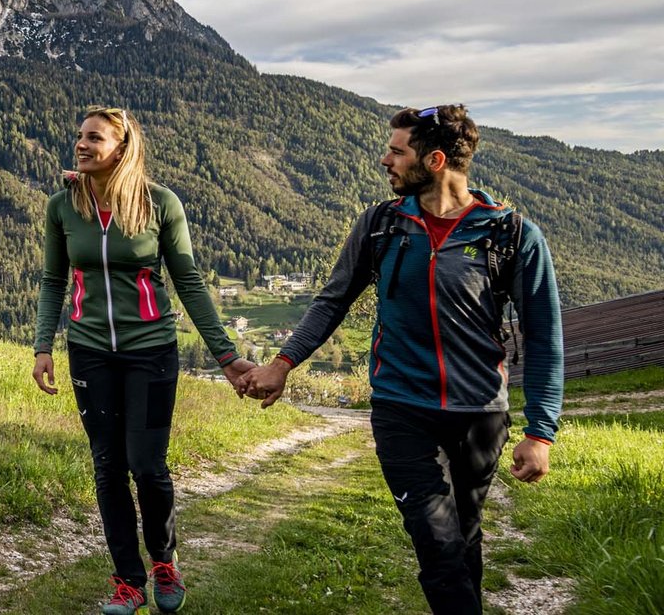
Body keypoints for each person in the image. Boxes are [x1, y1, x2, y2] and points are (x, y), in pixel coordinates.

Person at [239, 104, 563, 615]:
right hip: (400, 405)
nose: (384, 160)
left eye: (396, 151)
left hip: (480, 412)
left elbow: (544, 338)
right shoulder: (381, 225)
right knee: (435, 538)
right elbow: (332, 300)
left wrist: (540, 432)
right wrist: (283, 362)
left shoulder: (512, 236)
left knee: (461, 537)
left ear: (433, 160)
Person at [33, 105, 254, 615]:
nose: (81, 145)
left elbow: (189, 281)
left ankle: (164, 561)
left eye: (94, 138)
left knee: (147, 465)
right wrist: (44, 346)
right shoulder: (62, 206)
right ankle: (127, 581)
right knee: (108, 466)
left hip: (151, 351)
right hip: (88, 353)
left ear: (122, 148)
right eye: (79, 136)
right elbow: (53, 281)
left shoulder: (160, 204)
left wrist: (225, 355)